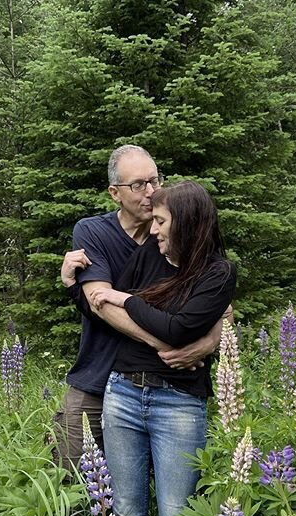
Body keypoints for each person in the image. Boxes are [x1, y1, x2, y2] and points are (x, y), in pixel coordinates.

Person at [88, 181, 237, 516]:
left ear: (185, 223)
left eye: (160, 221)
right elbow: (108, 308)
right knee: (125, 514)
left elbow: (178, 327)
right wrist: (159, 335)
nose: (153, 230)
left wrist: (130, 301)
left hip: (179, 401)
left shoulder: (218, 272)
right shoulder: (149, 256)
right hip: (123, 391)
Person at [54, 146, 223, 472]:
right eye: (138, 185)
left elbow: (220, 300)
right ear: (114, 193)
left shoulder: (177, 233)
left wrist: (208, 343)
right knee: (73, 482)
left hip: (166, 389)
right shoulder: (93, 231)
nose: (151, 192)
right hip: (97, 379)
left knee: (156, 496)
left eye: (154, 181)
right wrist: (167, 343)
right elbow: (101, 303)